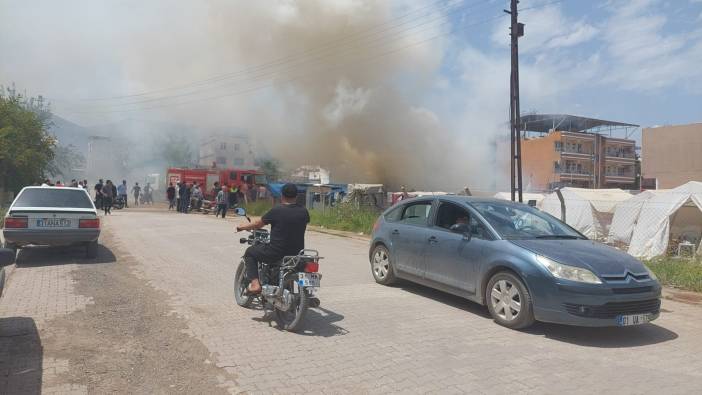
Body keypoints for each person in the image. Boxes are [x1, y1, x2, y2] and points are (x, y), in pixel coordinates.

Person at [236, 183, 310, 294]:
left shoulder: (277, 210)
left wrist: (241, 227)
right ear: (296, 196)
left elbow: (257, 224)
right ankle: (306, 293)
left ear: (282, 195)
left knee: (250, 252)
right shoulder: (304, 211)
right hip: (297, 253)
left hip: (276, 252)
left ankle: (255, 285)